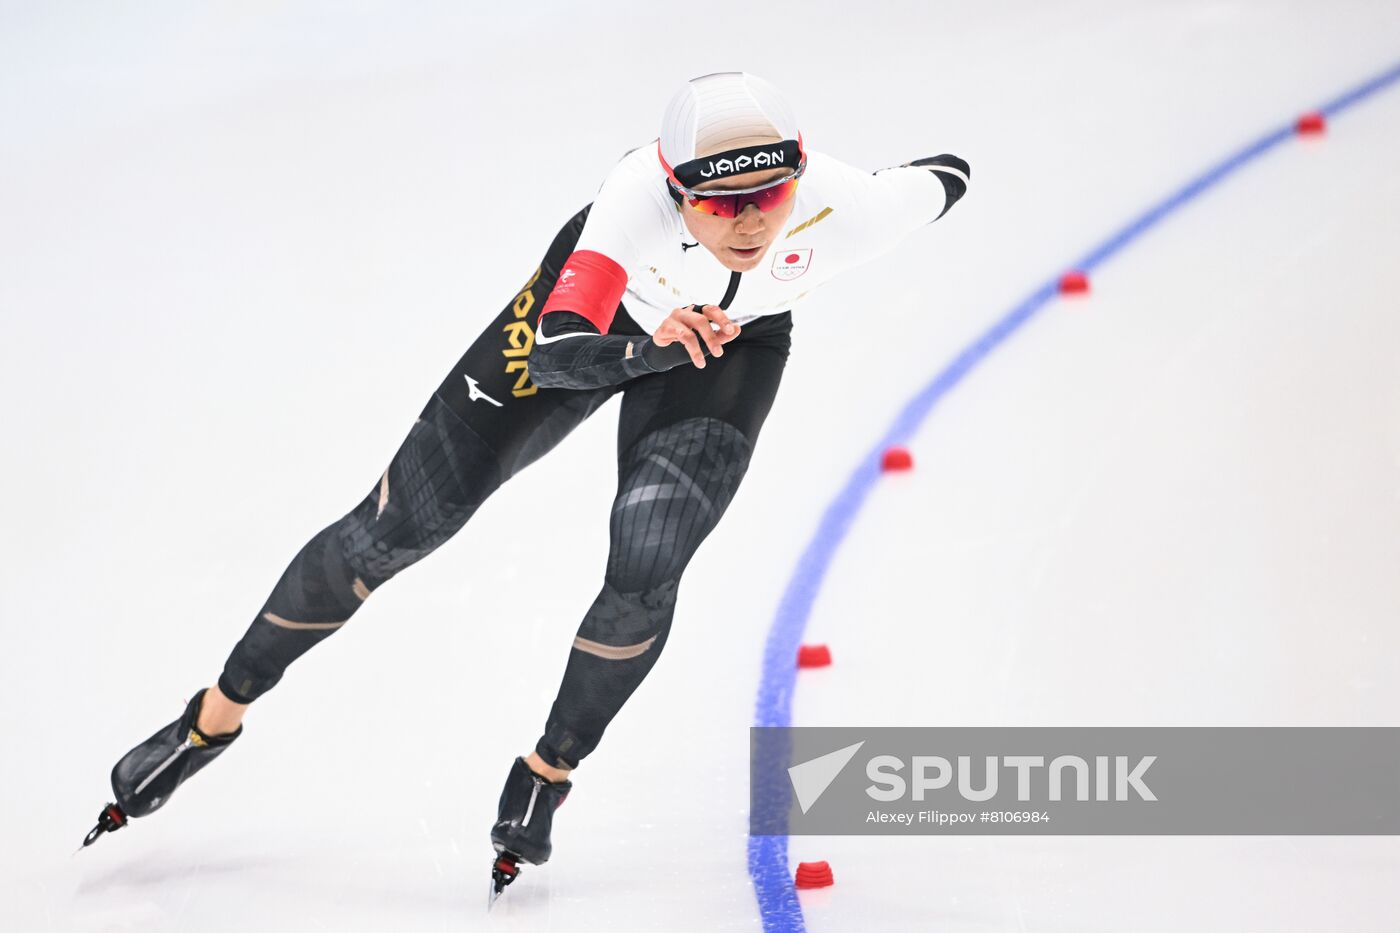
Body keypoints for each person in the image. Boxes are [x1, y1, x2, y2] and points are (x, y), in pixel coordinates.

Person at [83, 71, 970, 895]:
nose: (748, 221)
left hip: (729, 347)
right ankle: (212, 716)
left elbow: (943, 176)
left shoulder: (841, 210)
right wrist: (653, 343)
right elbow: (555, 353)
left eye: (767, 196)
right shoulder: (631, 207)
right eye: (720, 201)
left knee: (646, 558)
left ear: (800, 177)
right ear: (674, 191)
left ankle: (549, 770)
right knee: (393, 530)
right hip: (597, 327)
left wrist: (928, 178)